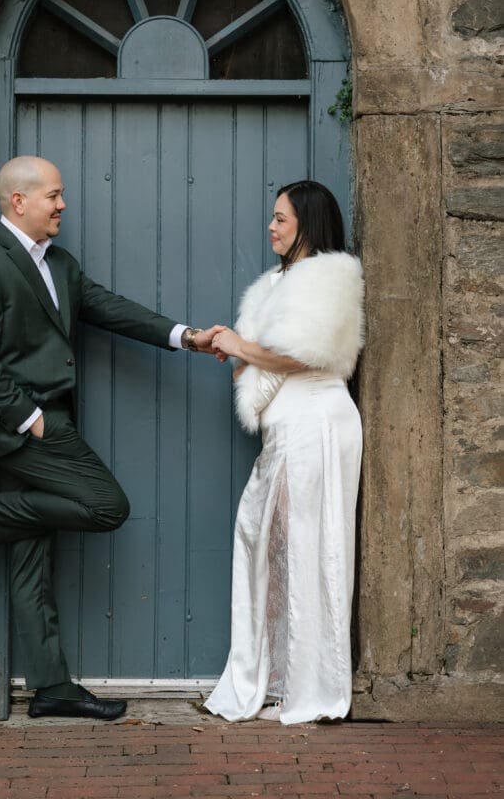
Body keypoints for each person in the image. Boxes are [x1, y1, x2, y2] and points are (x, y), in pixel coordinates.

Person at [0, 155, 224, 721]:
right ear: (19, 201)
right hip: (23, 430)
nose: (62, 204)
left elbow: (111, 309)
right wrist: (31, 417)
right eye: (54, 195)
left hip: (38, 426)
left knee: (28, 562)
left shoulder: (60, 264)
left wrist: (187, 336)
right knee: (106, 506)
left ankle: (52, 689)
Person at [205, 180, 364, 724]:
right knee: (267, 540)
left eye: (281, 219)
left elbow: (304, 355)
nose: (271, 227)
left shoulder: (331, 276)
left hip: (316, 420)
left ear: (307, 224)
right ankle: (274, 676)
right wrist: (238, 345)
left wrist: (240, 347)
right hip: (286, 427)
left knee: (311, 547)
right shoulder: (276, 281)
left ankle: (311, 685)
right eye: (272, 218)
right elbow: (267, 352)